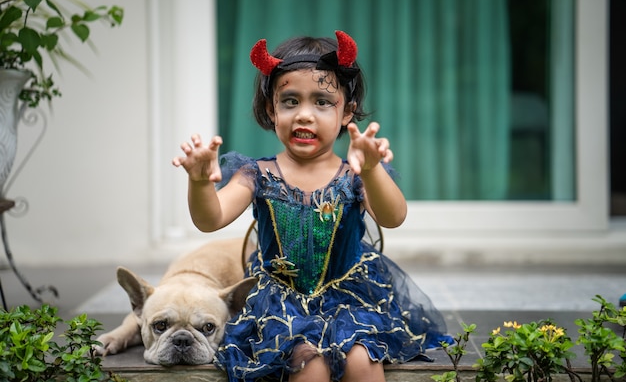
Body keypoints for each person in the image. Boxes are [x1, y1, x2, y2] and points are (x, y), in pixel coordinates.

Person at [172, 30, 453, 382]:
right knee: (310, 365)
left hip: (351, 300)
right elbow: (209, 219)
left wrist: (371, 169)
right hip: (279, 305)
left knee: (363, 361)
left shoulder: (353, 173)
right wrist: (199, 181)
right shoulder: (255, 174)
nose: (304, 114)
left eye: (322, 101)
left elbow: (393, 217)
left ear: (347, 112)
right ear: (271, 109)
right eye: (290, 101)